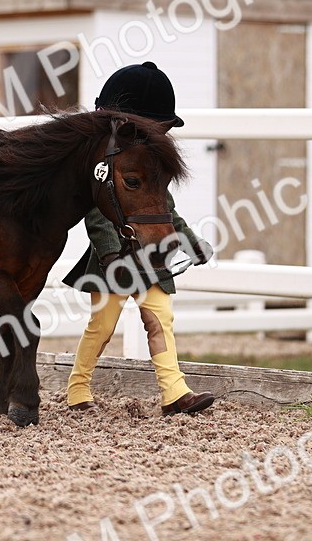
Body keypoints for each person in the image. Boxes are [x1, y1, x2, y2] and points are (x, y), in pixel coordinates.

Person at [63, 61, 216, 415]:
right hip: (113, 258)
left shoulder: (150, 163)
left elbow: (163, 208)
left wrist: (189, 239)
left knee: (159, 319)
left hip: (151, 255)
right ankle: (77, 389)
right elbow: (98, 213)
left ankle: (174, 392)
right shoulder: (105, 164)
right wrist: (110, 255)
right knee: (102, 327)